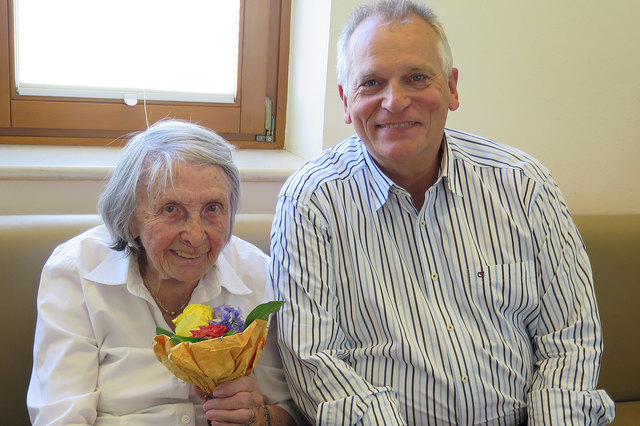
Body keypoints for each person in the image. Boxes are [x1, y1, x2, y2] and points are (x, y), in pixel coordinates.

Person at [270, 1, 615, 424]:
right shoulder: (310, 203)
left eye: (416, 77)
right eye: (372, 83)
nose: (394, 102)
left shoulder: (524, 185)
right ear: (346, 100)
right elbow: (315, 362)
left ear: (451, 88)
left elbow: (570, 339)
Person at [27, 120, 305, 425]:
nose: (196, 235)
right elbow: (60, 418)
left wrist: (257, 416)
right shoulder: (76, 274)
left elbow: (294, 412)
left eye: (213, 208)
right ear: (129, 217)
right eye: (171, 209)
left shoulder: (259, 275)